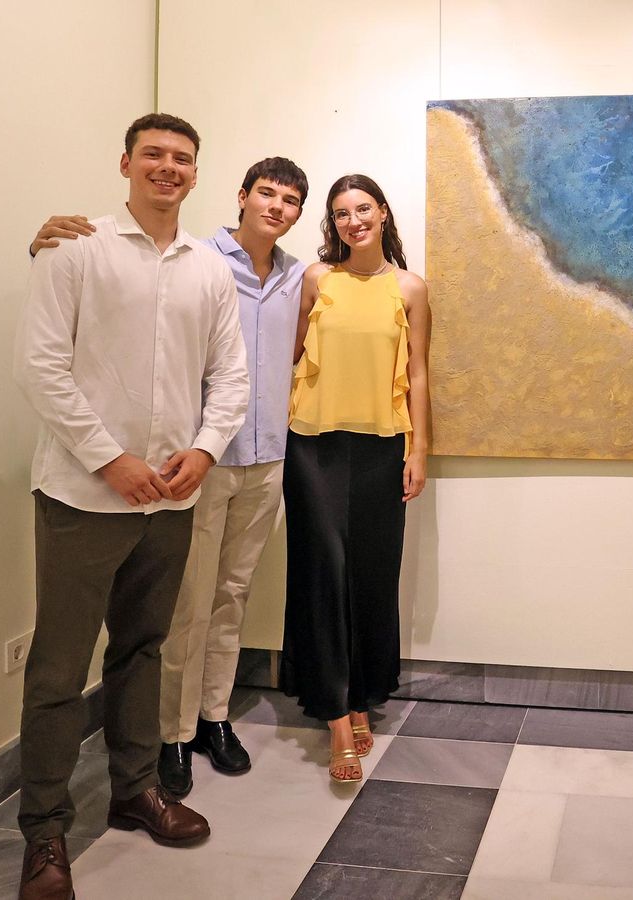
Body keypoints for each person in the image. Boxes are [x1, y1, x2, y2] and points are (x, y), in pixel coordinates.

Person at [13, 113, 248, 900]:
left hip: (170, 499)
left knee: (143, 647)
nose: (168, 168)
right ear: (125, 163)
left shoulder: (209, 271)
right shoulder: (74, 249)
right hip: (85, 495)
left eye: (182, 159)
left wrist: (205, 450)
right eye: (154, 154)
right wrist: (110, 460)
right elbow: (41, 367)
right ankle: (44, 834)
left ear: (194, 173)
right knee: (57, 668)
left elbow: (232, 379)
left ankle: (136, 788)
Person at [28, 158, 311, 799]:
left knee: (231, 596)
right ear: (240, 196)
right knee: (184, 607)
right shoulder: (197, 258)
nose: (277, 206)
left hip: (264, 457)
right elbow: (108, 290)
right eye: (266, 193)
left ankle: (214, 717)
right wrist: (40, 242)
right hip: (194, 463)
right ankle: (173, 735)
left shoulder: (299, 276)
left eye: (291, 199)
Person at [281, 174, 431, 782]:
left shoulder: (411, 288)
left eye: (362, 209)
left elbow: (418, 373)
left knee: (371, 573)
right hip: (311, 444)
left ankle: (364, 693)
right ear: (332, 223)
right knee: (324, 570)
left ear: (383, 213)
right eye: (341, 213)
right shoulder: (316, 280)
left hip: (381, 448)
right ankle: (338, 713)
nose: (353, 221)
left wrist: (420, 450)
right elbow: (287, 353)